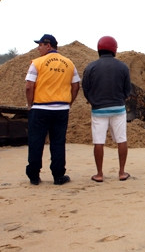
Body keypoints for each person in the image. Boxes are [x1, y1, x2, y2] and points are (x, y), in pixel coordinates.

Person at [25, 34, 80, 185]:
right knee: (58, 142)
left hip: (40, 108)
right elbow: (76, 86)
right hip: (61, 109)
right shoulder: (69, 63)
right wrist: (69, 103)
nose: (38, 48)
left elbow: (29, 86)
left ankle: (34, 176)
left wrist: (30, 105)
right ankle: (58, 176)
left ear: (48, 45)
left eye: (40, 45)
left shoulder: (37, 63)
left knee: (36, 141)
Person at [82, 36, 132, 182]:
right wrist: (120, 99)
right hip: (118, 108)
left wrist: (93, 101)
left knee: (99, 141)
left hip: (98, 109)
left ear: (99, 49)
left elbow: (86, 88)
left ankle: (99, 174)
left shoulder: (91, 67)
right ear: (114, 49)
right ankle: (122, 172)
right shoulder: (123, 67)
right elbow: (128, 90)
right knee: (121, 139)